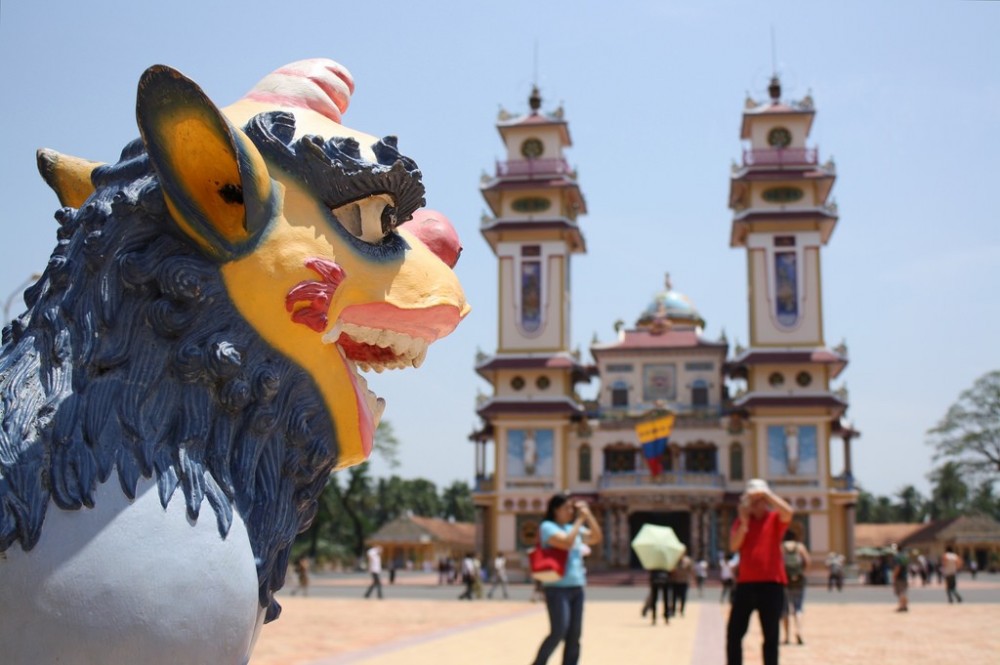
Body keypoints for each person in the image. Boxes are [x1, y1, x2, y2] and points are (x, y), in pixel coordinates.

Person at [726, 478, 793, 665]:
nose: (757, 504)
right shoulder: (741, 522)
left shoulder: (773, 519)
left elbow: (788, 512)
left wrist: (768, 495)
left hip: (772, 583)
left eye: (760, 500)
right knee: (734, 634)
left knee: (771, 635)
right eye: (753, 500)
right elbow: (734, 545)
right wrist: (744, 521)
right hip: (746, 584)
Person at [531, 493, 603, 665]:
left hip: (577, 586)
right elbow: (566, 542)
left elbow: (596, 537)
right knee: (559, 631)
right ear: (556, 510)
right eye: (566, 508)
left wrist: (589, 515)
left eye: (572, 508)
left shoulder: (573, 528)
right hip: (557, 587)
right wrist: (579, 521)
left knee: (574, 635)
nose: (570, 512)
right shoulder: (548, 527)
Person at [780, 532, 810, 645]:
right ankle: (799, 631)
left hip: (785, 581)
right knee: (798, 608)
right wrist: (802, 573)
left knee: (785, 609)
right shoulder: (800, 547)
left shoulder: (781, 547)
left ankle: (786, 637)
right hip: (799, 580)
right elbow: (807, 562)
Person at [890, 544, 909, 612]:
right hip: (905, 576)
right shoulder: (905, 556)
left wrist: (894, 575)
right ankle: (905, 605)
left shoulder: (897, 557)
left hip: (899, 576)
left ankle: (901, 606)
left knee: (900, 592)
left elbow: (898, 567)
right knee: (904, 592)